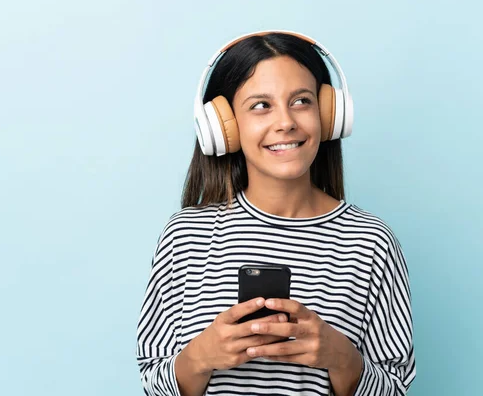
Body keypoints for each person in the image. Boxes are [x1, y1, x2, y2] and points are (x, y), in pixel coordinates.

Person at [136, 30, 416, 396]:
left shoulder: (371, 241)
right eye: (261, 105)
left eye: (301, 101)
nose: (285, 122)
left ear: (329, 113)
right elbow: (153, 380)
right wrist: (200, 357)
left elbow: (396, 387)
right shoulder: (185, 235)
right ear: (225, 127)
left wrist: (341, 357)